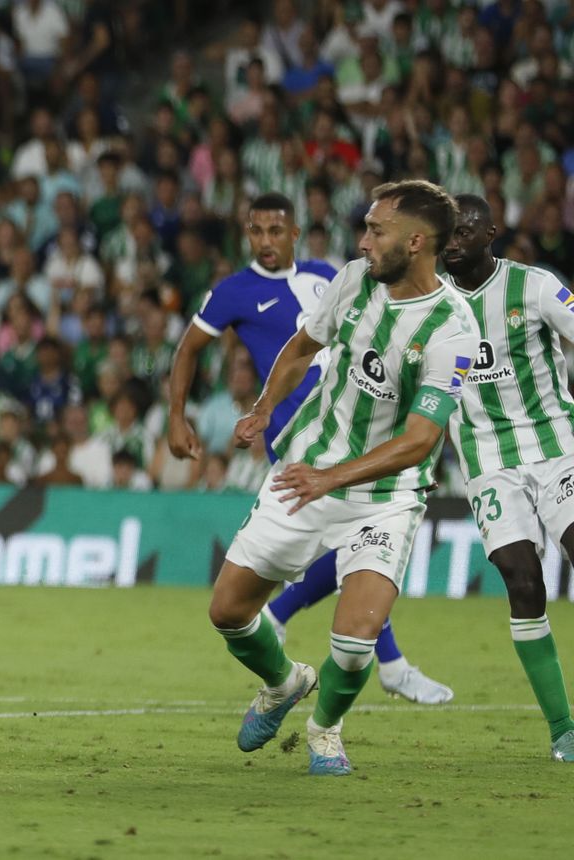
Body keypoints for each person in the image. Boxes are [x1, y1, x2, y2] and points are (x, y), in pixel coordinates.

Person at [207, 181, 476, 775]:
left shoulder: (453, 329)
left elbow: (420, 440)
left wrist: (332, 480)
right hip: (305, 467)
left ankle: (325, 730)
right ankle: (283, 683)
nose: (363, 240)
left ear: (415, 241)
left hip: (383, 496)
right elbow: (304, 345)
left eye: (376, 231)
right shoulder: (355, 279)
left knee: (355, 645)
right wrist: (263, 408)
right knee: (227, 611)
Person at [441, 194, 574, 761]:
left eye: (465, 229)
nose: (453, 239)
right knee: (523, 582)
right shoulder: (428, 303)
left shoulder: (537, 286)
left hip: (557, 449)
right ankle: (564, 730)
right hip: (486, 460)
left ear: (491, 232)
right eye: (447, 230)